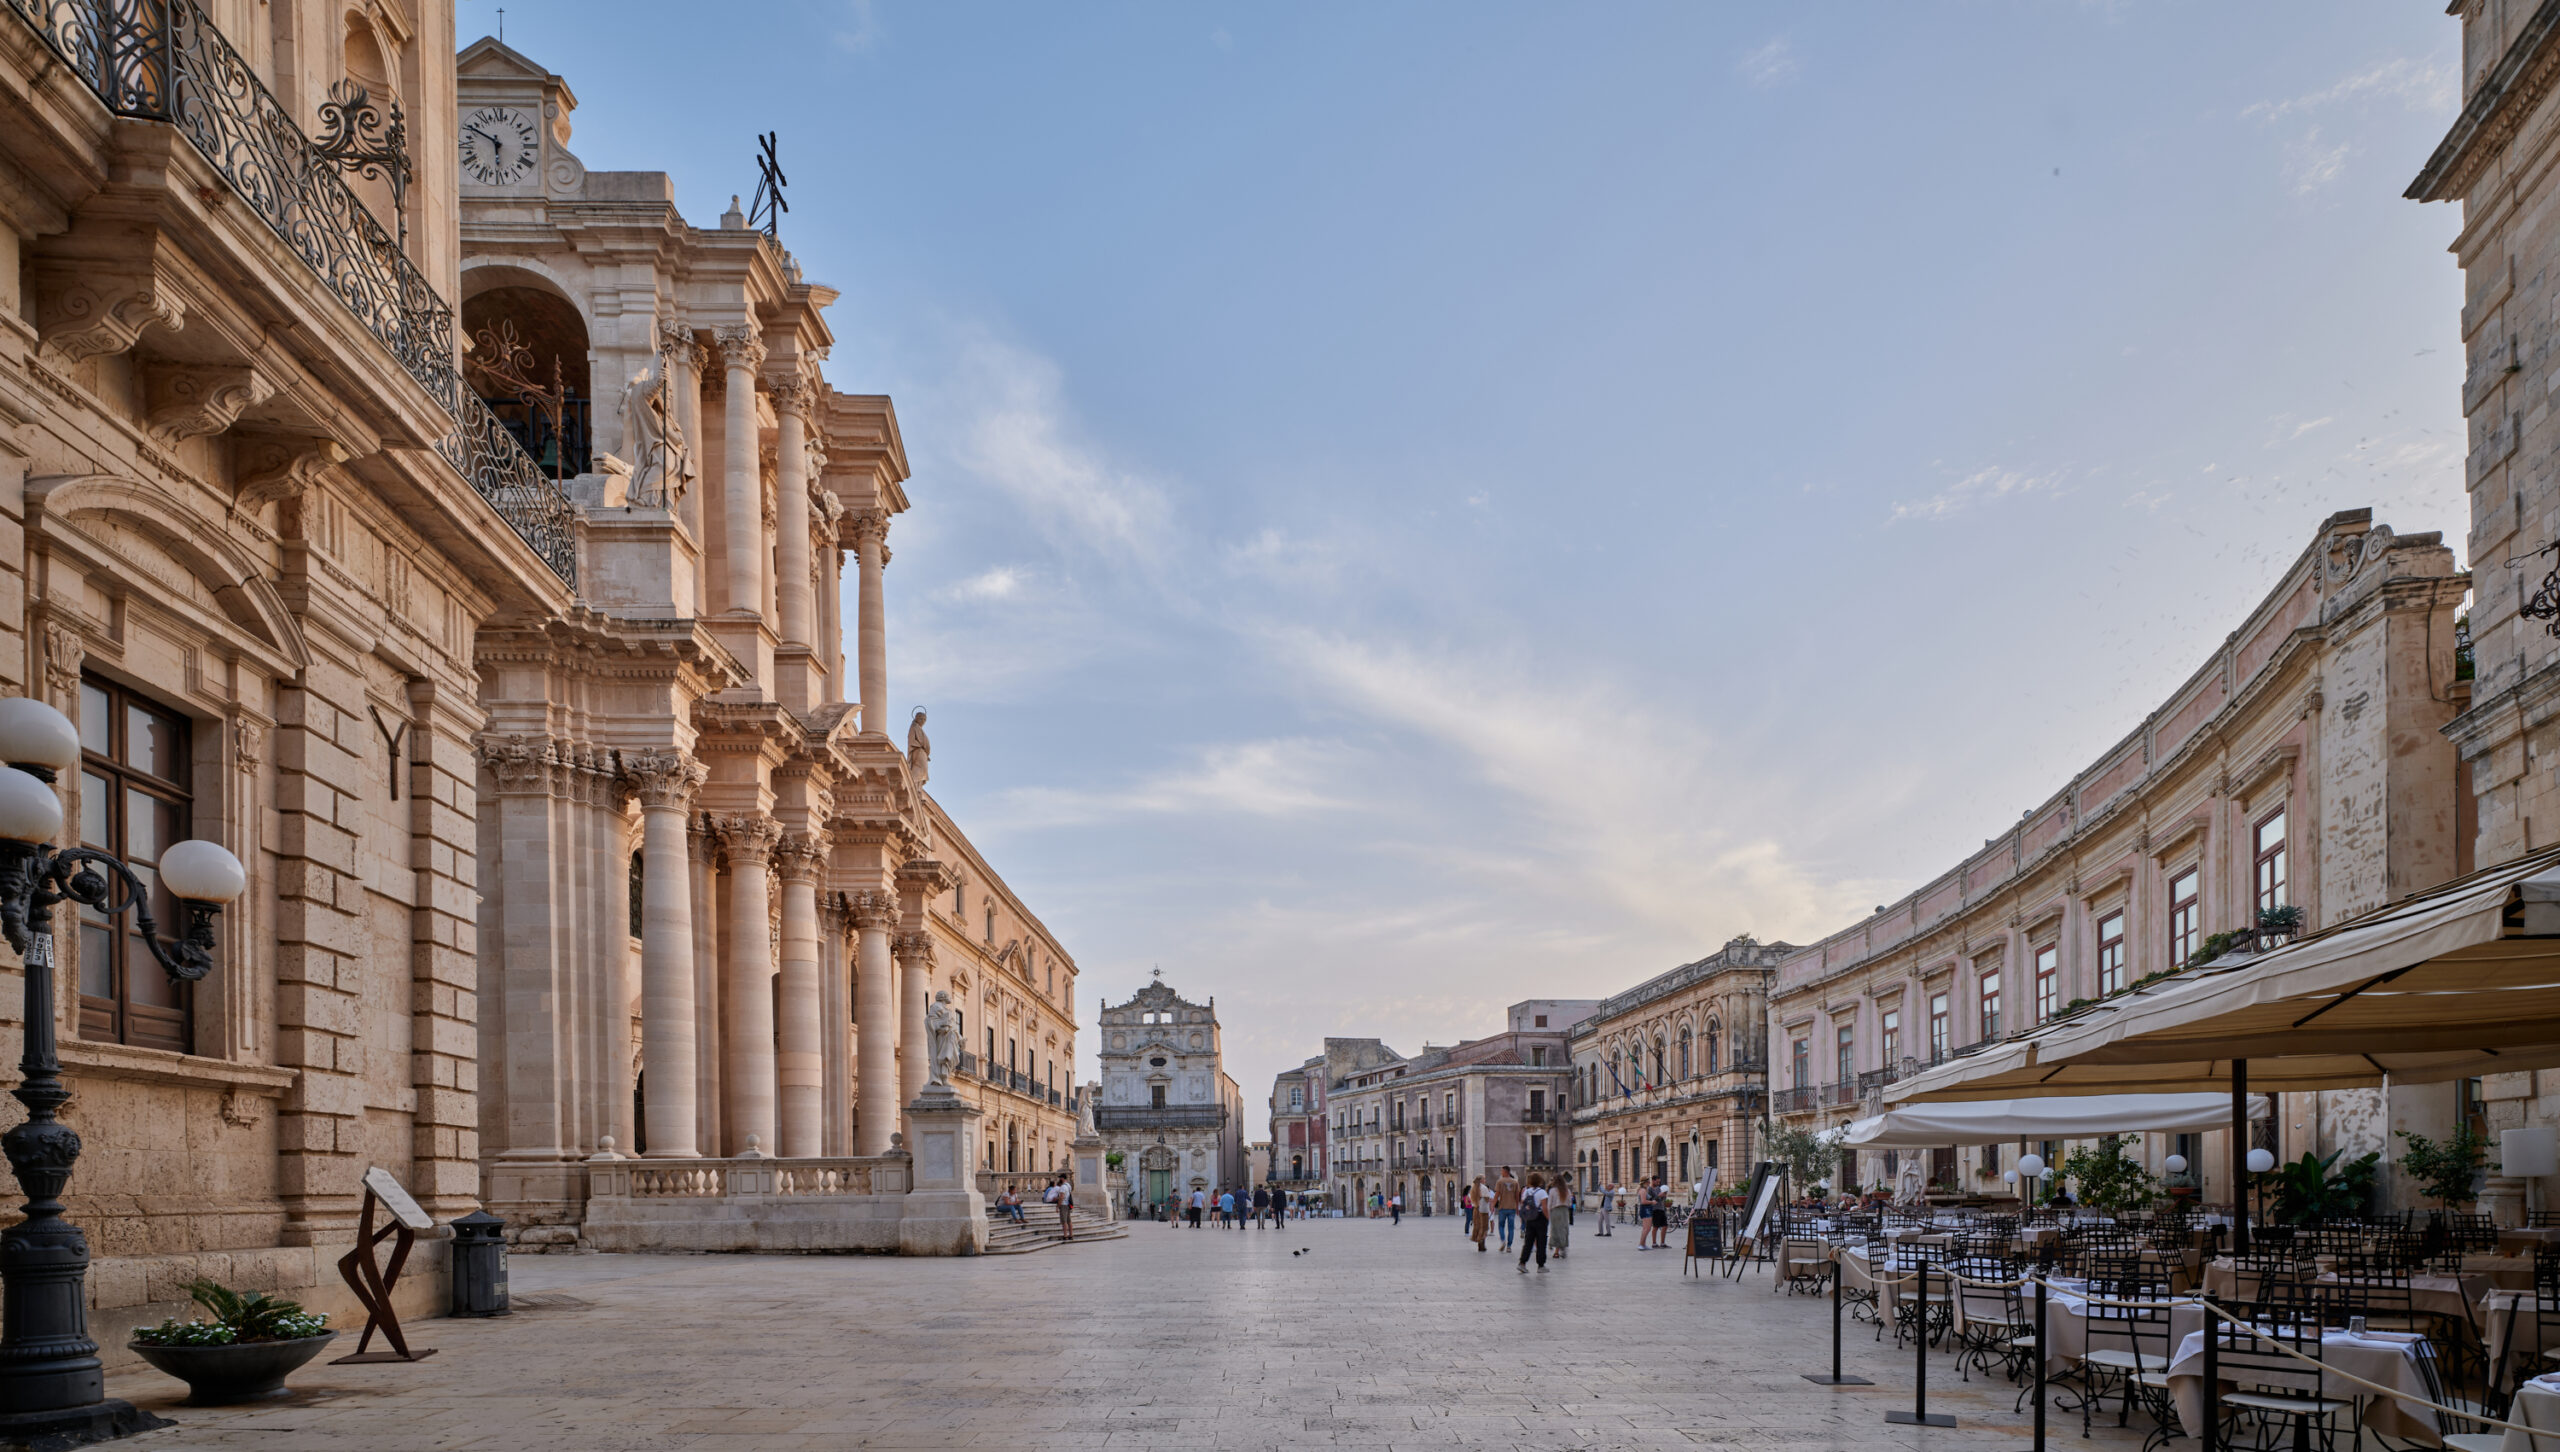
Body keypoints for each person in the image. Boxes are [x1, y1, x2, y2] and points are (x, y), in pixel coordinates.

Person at [1516, 1172, 1551, 1273]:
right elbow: (1544, 1207)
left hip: (1530, 1218)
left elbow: (1523, 1203)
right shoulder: (1542, 1192)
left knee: (1528, 1242)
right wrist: (1548, 1218)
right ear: (1540, 1181)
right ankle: (1541, 1265)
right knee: (1541, 1242)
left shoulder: (1527, 1191)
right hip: (1540, 1218)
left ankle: (1522, 1263)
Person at [1494, 1167, 1522, 1252]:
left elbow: (1497, 1195)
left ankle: (1503, 1240)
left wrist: (1492, 1205)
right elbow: (1517, 1196)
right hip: (1512, 1208)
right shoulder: (1515, 1182)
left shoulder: (1499, 1182)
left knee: (1501, 1226)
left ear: (1505, 1171)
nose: (1501, 1172)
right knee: (1511, 1228)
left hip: (1502, 1207)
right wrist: (1517, 1207)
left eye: (1502, 1171)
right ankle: (1509, 1246)